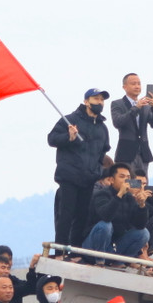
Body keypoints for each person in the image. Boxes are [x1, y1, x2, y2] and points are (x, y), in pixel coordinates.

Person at [48, 88, 113, 246]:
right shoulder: (70, 120)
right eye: (96, 99)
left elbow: (103, 152)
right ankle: (60, 251)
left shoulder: (103, 128)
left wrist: (97, 171)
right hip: (69, 177)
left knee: (82, 216)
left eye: (102, 100)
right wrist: (68, 137)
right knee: (66, 215)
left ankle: (76, 250)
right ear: (86, 101)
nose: (99, 102)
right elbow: (52, 139)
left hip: (89, 178)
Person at [82, 162, 152, 258]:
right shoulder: (101, 194)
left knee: (143, 233)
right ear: (111, 180)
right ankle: (99, 260)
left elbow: (140, 225)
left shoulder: (129, 198)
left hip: (113, 248)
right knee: (105, 225)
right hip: (92, 246)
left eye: (128, 177)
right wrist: (119, 195)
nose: (126, 180)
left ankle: (119, 261)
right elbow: (106, 216)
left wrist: (141, 205)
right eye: (122, 177)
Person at [111, 73, 153, 175]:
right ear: (124, 87)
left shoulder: (145, 105)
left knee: (142, 183)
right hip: (126, 152)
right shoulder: (117, 104)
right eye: (133, 84)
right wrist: (136, 108)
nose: (137, 86)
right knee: (129, 183)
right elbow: (118, 122)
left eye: (139, 84)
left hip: (143, 152)